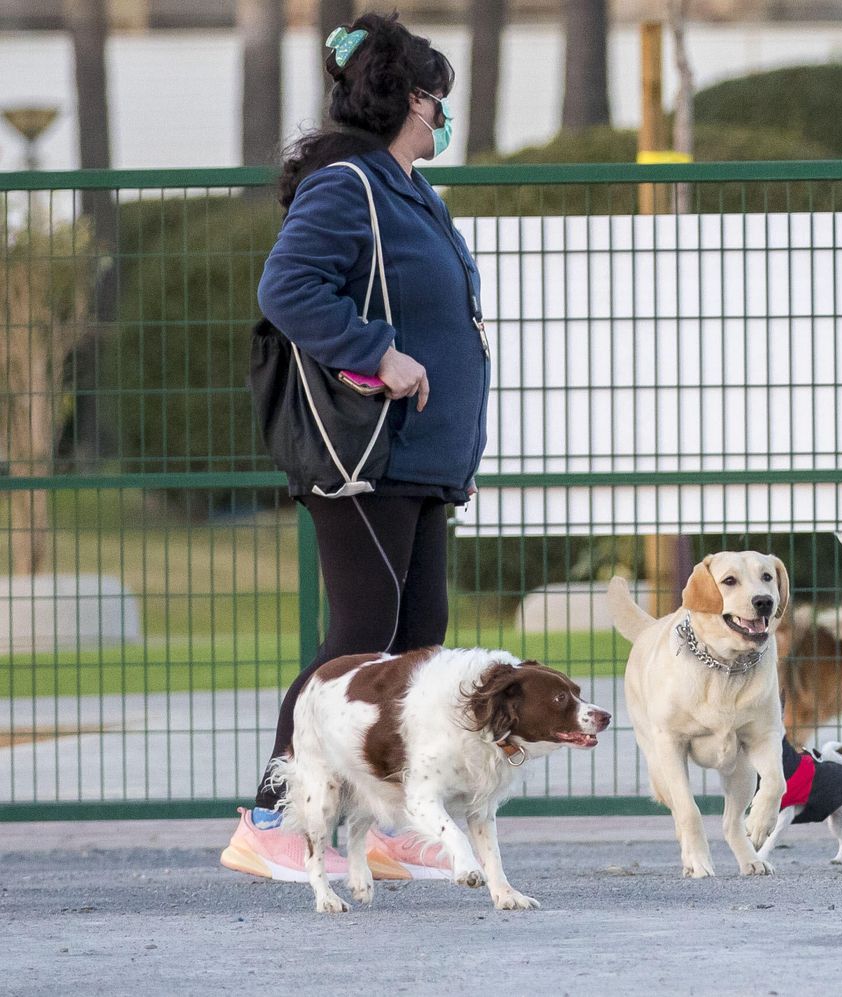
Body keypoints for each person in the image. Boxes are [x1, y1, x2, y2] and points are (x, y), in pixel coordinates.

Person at [221, 12, 489, 882]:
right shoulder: (351, 185)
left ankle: (388, 823)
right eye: (437, 98)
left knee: (415, 641)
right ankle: (271, 814)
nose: (445, 114)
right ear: (413, 99)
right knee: (358, 642)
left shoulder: (406, 186)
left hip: (418, 460)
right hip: (364, 453)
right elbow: (289, 286)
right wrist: (379, 351)